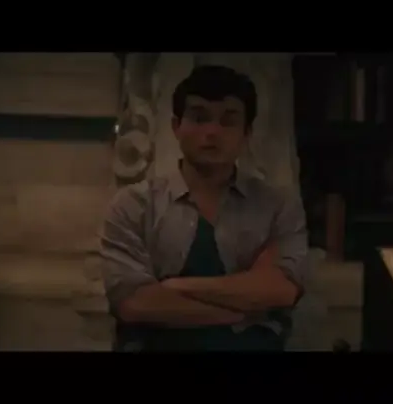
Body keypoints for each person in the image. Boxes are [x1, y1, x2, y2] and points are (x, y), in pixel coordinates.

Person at [99, 65, 308, 351]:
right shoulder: (135, 205)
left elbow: (280, 291)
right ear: (176, 126)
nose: (212, 132)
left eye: (228, 121)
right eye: (199, 118)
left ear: (246, 133)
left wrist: (177, 287)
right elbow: (134, 303)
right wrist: (245, 310)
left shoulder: (277, 207)